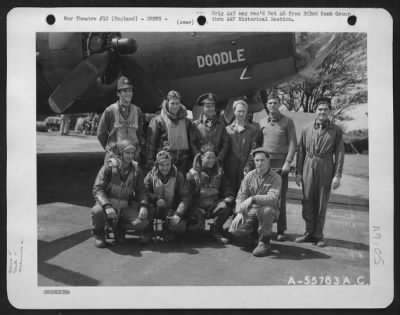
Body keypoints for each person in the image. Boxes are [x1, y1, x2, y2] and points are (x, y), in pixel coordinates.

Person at [295, 97, 345, 247]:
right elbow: (301, 151)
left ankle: (318, 235)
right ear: (315, 111)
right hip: (308, 165)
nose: (322, 112)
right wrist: (298, 172)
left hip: (326, 165)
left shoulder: (336, 130)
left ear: (329, 111)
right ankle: (308, 232)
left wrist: (337, 175)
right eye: (320, 109)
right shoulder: (306, 128)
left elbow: (340, 153)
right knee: (307, 199)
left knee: (322, 202)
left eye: (325, 109)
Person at [91, 140, 151, 248]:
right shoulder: (109, 167)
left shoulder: (136, 170)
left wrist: (143, 205)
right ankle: (99, 234)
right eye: (127, 153)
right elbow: (97, 189)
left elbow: (141, 191)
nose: (130, 156)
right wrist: (107, 206)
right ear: (121, 153)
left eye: (132, 153)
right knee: (97, 211)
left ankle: (119, 228)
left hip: (124, 206)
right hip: (108, 203)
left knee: (141, 222)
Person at [254, 93, 297, 242]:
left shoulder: (287, 122)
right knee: (263, 197)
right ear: (267, 105)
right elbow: (258, 144)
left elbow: (293, 143)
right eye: (270, 103)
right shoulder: (262, 122)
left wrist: (288, 162)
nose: (272, 105)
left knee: (280, 198)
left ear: (280, 105)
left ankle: (281, 230)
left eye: (275, 103)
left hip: (281, 165)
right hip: (265, 165)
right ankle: (263, 229)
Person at [229, 148, 282, 257]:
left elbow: (272, 198)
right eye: (257, 160)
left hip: (269, 210)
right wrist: (239, 212)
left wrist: (253, 198)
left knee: (265, 211)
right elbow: (241, 195)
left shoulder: (276, 178)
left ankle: (264, 242)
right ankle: (254, 235)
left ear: (268, 160)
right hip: (252, 210)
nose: (259, 163)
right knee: (234, 231)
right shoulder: (249, 175)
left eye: (262, 160)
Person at [186, 146, 235, 244]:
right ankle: (193, 228)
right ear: (202, 157)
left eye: (213, 158)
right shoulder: (192, 174)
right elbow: (187, 195)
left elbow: (227, 186)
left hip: (213, 205)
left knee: (226, 207)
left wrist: (229, 195)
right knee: (195, 235)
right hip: (197, 206)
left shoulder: (219, 172)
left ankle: (216, 229)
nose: (211, 160)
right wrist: (193, 207)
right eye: (208, 158)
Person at [97, 76, 145, 164]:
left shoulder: (137, 111)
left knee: (134, 177)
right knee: (112, 176)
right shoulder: (110, 111)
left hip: (133, 156)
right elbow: (101, 133)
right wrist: (108, 148)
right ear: (118, 94)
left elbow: (139, 133)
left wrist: (138, 149)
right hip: (115, 156)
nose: (128, 93)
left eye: (130, 91)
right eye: (125, 91)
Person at [144, 150, 190, 241]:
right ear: (157, 165)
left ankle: (167, 230)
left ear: (171, 164)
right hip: (155, 208)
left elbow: (185, 197)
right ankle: (148, 231)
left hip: (171, 209)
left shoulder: (179, 176)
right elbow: (144, 191)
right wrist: (155, 199)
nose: (165, 168)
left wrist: (178, 214)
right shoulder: (150, 175)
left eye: (167, 164)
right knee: (148, 207)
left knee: (180, 227)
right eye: (162, 165)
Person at [146, 90, 192, 173]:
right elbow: (151, 144)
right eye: (172, 103)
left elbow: (191, 142)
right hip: (164, 163)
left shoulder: (187, 122)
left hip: (183, 162)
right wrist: (150, 162)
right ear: (167, 103)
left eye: (177, 103)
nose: (175, 106)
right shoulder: (157, 121)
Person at [224, 99, 258, 194]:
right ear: (234, 111)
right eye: (239, 111)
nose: (241, 114)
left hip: (246, 168)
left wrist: (248, 166)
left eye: (244, 111)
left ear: (247, 112)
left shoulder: (253, 130)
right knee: (229, 195)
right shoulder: (227, 130)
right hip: (229, 168)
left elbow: (254, 150)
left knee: (244, 195)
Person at [190, 93, 230, 164]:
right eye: (207, 106)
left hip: (217, 161)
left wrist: (219, 158)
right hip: (201, 161)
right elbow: (192, 143)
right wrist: (200, 158)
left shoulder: (221, 124)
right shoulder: (195, 125)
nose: (210, 109)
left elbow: (225, 143)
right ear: (202, 108)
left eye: (212, 106)